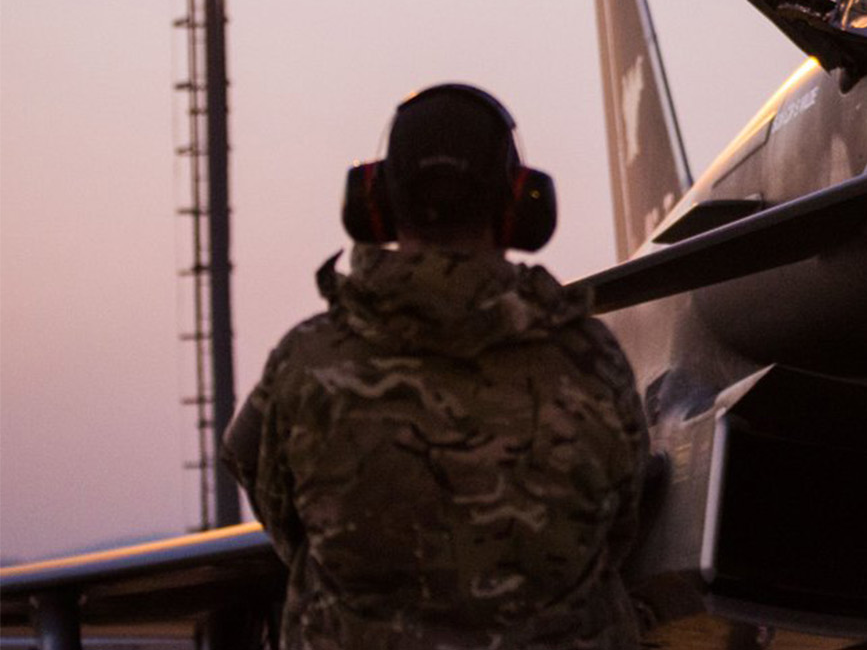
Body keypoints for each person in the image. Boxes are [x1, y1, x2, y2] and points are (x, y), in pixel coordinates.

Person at [223, 83, 649, 650]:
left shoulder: (306, 365)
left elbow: (255, 473)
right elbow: (619, 527)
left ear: (375, 201)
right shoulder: (593, 363)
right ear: (517, 202)